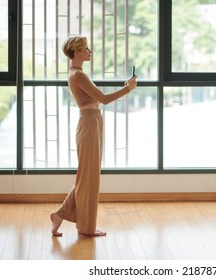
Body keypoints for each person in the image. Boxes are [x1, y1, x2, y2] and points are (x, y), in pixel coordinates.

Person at [50, 36, 137, 237]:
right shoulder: (78, 75)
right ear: (77, 52)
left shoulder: (77, 73)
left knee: (87, 177)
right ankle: (85, 227)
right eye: (86, 48)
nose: (90, 51)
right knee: (89, 178)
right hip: (89, 123)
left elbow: (99, 100)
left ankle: (61, 215)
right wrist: (128, 89)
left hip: (92, 121)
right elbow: (104, 99)